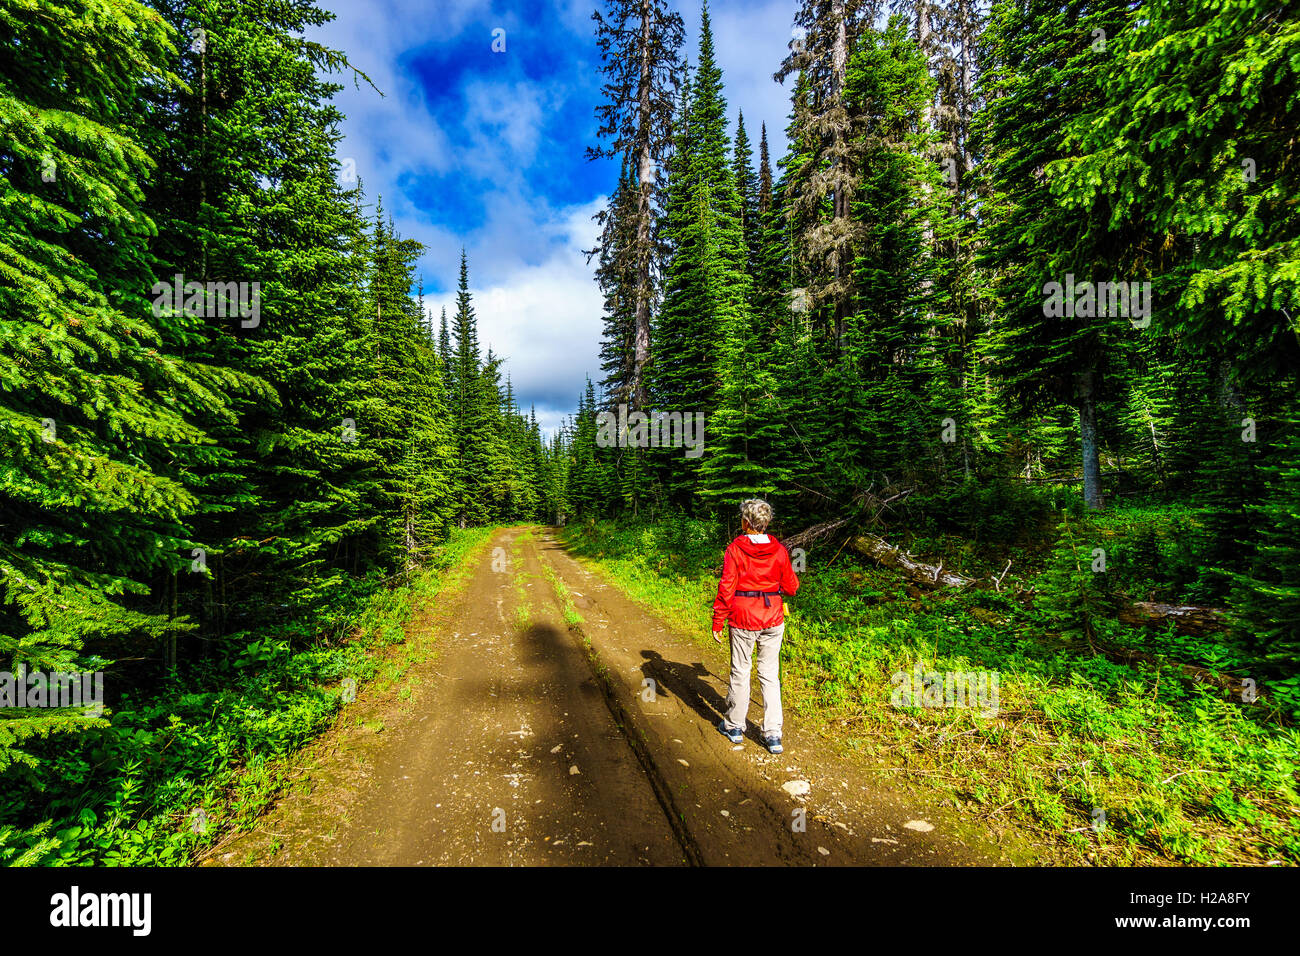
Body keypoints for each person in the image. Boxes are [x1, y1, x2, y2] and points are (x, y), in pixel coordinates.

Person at [711, 499, 800, 754]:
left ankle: (734, 726)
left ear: (745, 522)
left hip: (743, 618)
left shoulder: (735, 550)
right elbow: (792, 587)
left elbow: (727, 587)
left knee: (741, 670)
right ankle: (773, 734)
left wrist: (718, 620)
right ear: (765, 523)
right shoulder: (780, 550)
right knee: (769, 674)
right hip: (773, 617)